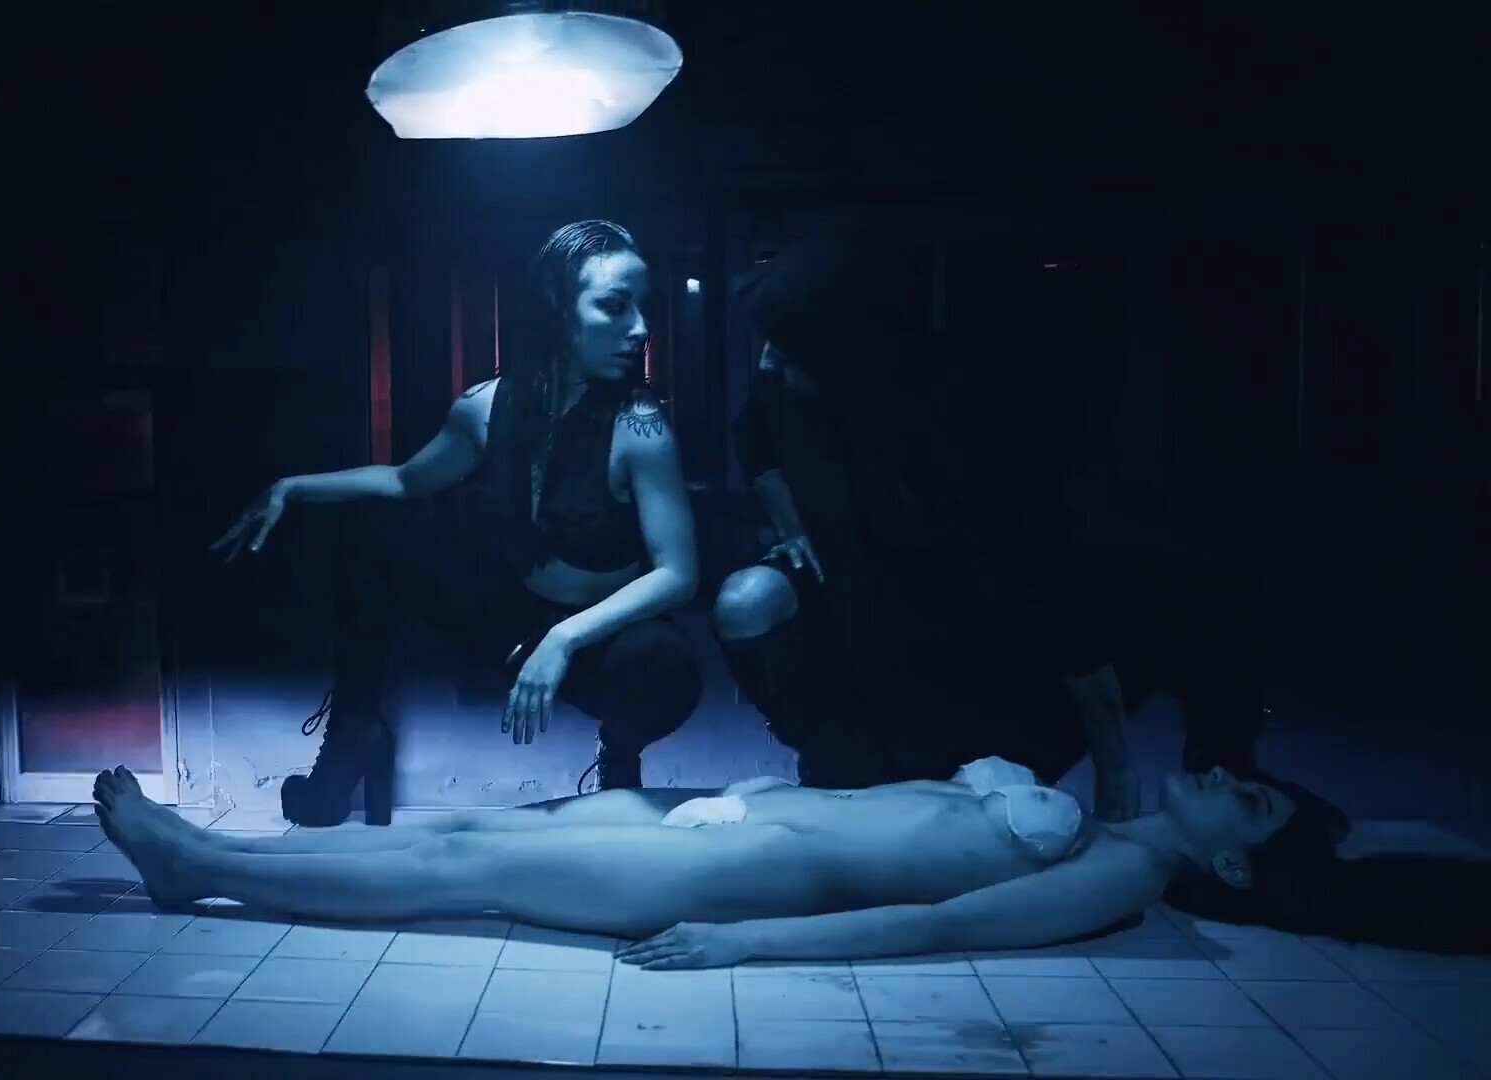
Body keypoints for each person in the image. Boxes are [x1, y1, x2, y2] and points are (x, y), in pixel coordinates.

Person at [712, 232, 1348, 834]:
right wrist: (795, 523)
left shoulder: (950, 426)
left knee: (1212, 603)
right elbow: (753, 436)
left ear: (836, 344)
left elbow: (1054, 594)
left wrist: (1115, 768)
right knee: (751, 600)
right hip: (877, 676)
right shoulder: (788, 393)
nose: (766, 359)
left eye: (783, 344)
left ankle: (1230, 772)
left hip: (984, 661)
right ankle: (842, 762)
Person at [210, 221, 703, 828]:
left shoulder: (641, 427)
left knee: (667, 665)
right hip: (508, 620)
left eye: (642, 307)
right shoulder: (484, 407)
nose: (641, 328)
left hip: (594, 642)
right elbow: (404, 482)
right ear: (557, 308)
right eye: (615, 306)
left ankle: (619, 757)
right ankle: (354, 734)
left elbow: (679, 574)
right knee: (374, 522)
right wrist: (292, 486)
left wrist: (564, 639)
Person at [90, 756, 1308, 968]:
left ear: (1236, 869)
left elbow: (946, 927)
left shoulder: (1125, 876)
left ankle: (197, 864)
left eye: (1248, 803)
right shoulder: (1099, 818)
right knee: (490, 832)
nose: (1224, 775)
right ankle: (211, 852)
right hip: (740, 824)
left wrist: (747, 943)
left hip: (749, 881)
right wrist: (739, 797)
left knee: (470, 860)